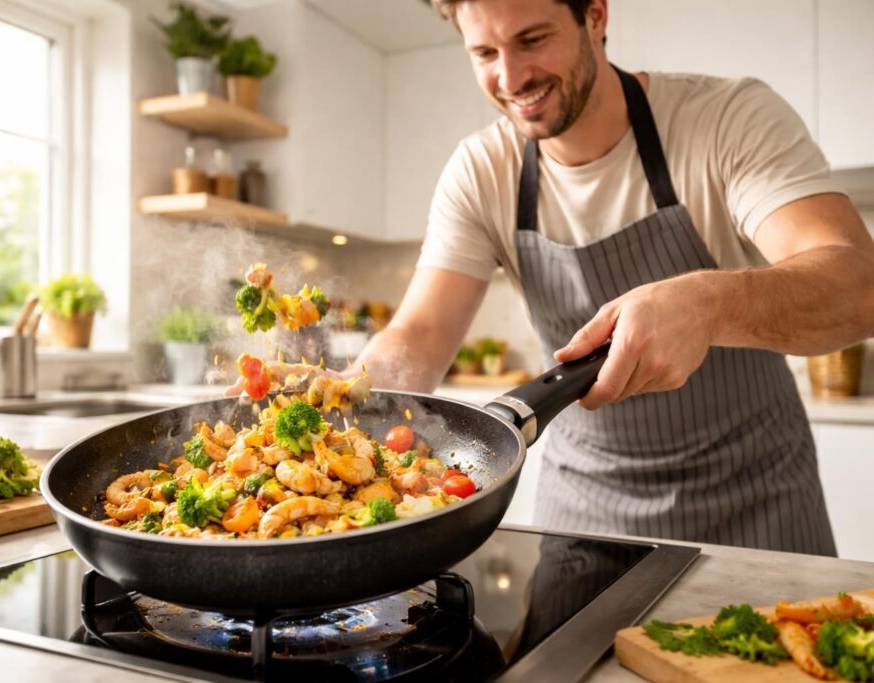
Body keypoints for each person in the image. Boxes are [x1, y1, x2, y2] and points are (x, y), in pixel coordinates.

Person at [347, 0, 874, 555]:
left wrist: (707, 302)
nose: (510, 77)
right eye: (484, 52)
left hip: (759, 507)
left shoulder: (726, 118)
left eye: (532, 39)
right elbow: (421, 337)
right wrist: (339, 398)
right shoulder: (482, 171)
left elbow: (858, 284)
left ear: (595, 17)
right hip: (586, 515)